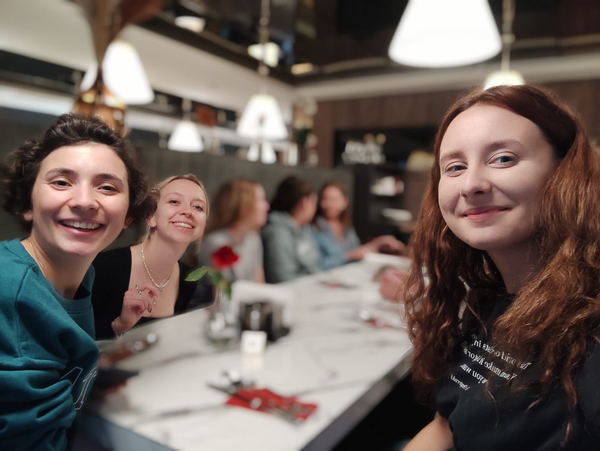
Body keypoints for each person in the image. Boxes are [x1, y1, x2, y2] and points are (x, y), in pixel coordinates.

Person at [399, 85, 600, 451]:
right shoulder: (487, 301)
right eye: (455, 167)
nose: (472, 184)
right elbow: (446, 423)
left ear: (565, 171)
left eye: (503, 158)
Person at [0, 113, 151, 450]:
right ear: (27, 204)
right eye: (61, 182)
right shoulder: (10, 294)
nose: (84, 201)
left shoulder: (82, 275)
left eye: (107, 187)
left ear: (129, 215)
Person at [92, 174, 211, 340]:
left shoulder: (196, 285)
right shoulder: (101, 268)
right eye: (174, 201)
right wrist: (120, 325)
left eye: (198, 207)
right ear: (151, 216)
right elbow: (76, 343)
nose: (188, 212)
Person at [312, 181, 406, 269]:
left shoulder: (346, 226)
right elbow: (317, 265)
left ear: (345, 202)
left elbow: (357, 250)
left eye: (333, 199)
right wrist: (349, 256)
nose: (328, 204)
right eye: (324, 199)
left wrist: (378, 243)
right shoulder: (315, 228)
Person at [198, 179, 269, 283]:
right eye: (260, 199)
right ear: (242, 205)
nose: (266, 206)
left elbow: (260, 284)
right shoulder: (215, 243)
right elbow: (223, 292)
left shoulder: (253, 239)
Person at [262, 175, 321, 283]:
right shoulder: (276, 233)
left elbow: (316, 264)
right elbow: (282, 278)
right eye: (314, 203)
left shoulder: (305, 228)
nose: (315, 208)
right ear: (305, 203)